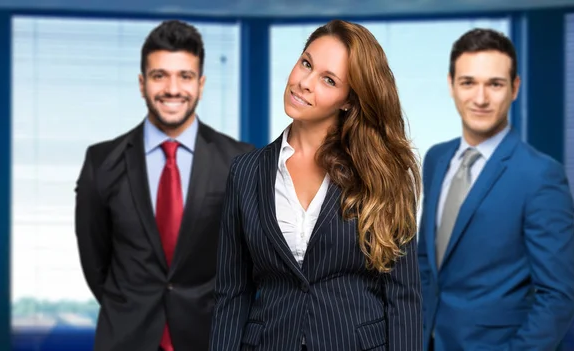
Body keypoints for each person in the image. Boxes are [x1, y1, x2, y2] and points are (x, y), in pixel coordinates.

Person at [209, 19, 422, 351]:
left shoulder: (383, 173)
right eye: (306, 63)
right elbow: (232, 294)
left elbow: (403, 297)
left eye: (328, 79)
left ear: (348, 100)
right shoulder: (245, 172)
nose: (304, 83)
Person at [74, 20, 254, 351]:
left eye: (185, 76)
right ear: (142, 83)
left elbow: (249, 263)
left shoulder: (240, 161)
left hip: (211, 337)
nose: (173, 89)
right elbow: (94, 260)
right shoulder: (102, 162)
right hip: (126, 337)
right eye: (160, 76)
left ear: (201, 84)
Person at [417, 28, 574, 351]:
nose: (480, 98)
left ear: (515, 88)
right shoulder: (436, 158)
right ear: (451, 85)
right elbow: (426, 262)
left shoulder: (541, 175)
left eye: (495, 84)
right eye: (468, 82)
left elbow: (557, 297)